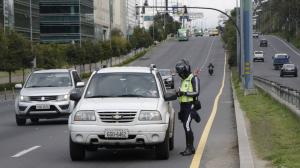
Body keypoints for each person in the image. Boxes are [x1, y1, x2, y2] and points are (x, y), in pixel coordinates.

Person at [175, 59, 201, 156]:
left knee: (186, 125)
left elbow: (196, 92)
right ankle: (190, 147)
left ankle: (190, 148)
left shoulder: (193, 78)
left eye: (181, 73)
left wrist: (184, 93)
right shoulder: (184, 80)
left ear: (185, 70)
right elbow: (182, 92)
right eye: (179, 73)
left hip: (191, 105)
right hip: (183, 107)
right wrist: (178, 93)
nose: (180, 75)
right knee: (185, 126)